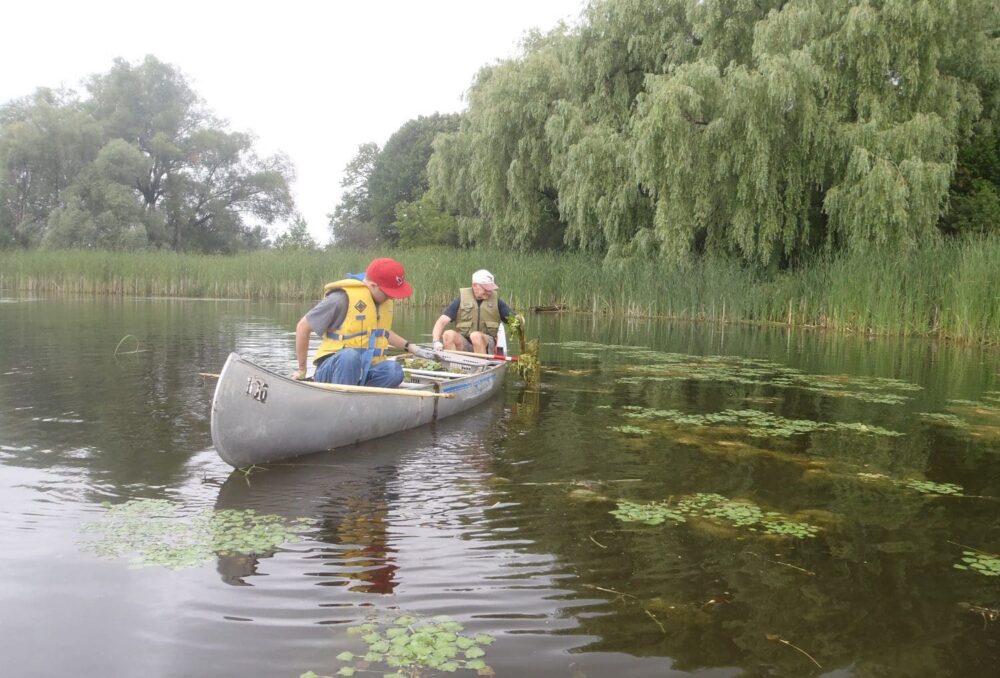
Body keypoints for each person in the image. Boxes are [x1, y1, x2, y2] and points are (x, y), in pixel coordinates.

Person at [295, 257, 419, 387]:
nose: (392, 297)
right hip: (333, 372)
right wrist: (302, 370)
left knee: (394, 370)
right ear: (373, 286)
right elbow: (303, 327)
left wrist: (410, 346)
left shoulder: (381, 301)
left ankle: (362, 399)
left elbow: (382, 333)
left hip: (365, 370)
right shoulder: (340, 299)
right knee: (349, 356)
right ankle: (342, 401)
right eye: (389, 293)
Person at [431, 269, 520, 355]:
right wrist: (436, 341)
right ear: (474, 285)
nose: (489, 292)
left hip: (487, 345)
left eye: (490, 289)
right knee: (448, 334)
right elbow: (441, 322)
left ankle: (480, 367)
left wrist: (519, 321)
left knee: (475, 336)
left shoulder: (497, 302)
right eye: (485, 288)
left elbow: (514, 321)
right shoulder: (461, 300)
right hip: (465, 344)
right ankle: (454, 366)